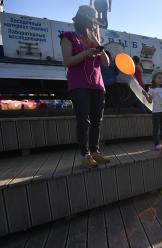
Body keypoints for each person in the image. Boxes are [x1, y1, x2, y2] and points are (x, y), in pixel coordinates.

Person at [60, 5, 110, 168]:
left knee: (97, 120)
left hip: (97, 85)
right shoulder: (69, 37)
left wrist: (97, 43)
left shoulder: (95, 40)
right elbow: (68, 61)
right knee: (83, 120)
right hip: (79, 84)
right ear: (82, 21)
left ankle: (95, 151)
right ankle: (85, 154)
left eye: (95, 23)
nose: (94, 25)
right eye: (91, 22)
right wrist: (86, 53)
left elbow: (106, 63)